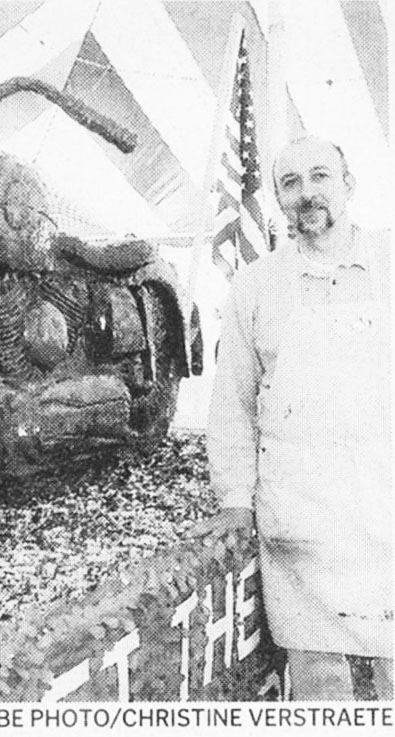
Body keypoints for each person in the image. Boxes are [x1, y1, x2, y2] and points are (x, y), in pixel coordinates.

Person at [190, 135, 392, 700]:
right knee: (318, 684)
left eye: (320, 176)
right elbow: (232, 404)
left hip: (386, 512)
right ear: (278, 199)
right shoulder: (255, 286)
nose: (307, 193)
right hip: (304, 524)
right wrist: (234, 499)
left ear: (349, 185)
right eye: (290, 183)